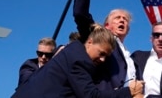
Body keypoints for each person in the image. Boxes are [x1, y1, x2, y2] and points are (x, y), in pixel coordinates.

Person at [11, 24, 144, 98]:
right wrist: (129, 91)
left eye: (106, 56)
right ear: (90, 42)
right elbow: (91, 96)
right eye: (101, 53)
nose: (103, 59)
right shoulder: (79, 61)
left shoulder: (72, 51)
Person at [73, 0, 142, 91]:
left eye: (125, 19)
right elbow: (80, 14)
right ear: (107, 25)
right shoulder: (99, 39)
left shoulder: (131, 58)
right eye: (117, 18)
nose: (122, 21)